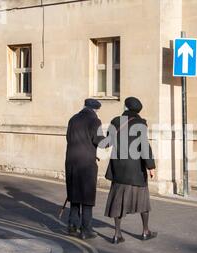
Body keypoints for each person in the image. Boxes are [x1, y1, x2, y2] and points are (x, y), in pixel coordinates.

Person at [104, 97, 157, 244]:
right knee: (143, 201)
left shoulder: (116, 121)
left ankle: (117, 234)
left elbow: (107, 142)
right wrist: (151, 166)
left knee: (117, 201)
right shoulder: (141, 123)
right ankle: (145, 231)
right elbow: (144, 146)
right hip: (136, 169)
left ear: (126, 107)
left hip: (118, 168)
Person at [65, 98, 106, 239]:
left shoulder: (73, 119)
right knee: (87, 196)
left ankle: (72, 225)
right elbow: (100, 142)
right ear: (95, 109)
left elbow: (68, 138)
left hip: (71, 161)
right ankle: (86, 229)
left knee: (74, 194)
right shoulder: (95, 121)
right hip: (86, 164)